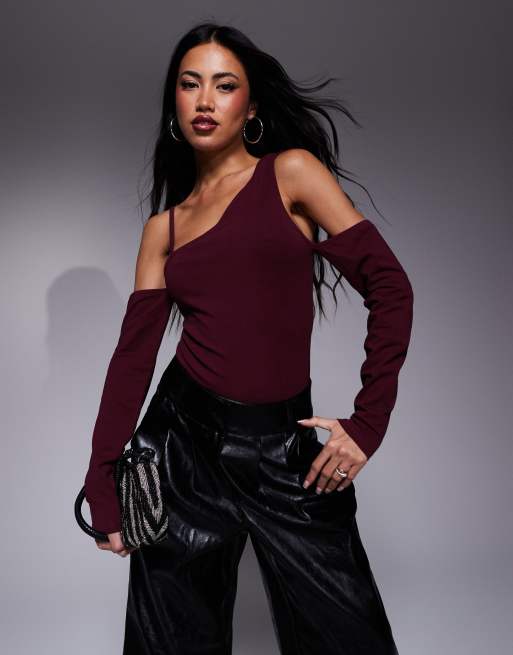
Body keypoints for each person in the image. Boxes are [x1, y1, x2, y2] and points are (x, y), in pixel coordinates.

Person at [84, 21, 413, 655]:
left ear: (252, 106)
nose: (205, 100)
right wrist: (102, 481)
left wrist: (368, 423)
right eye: (190, 84)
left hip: (285, 455)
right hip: (181, 455)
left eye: (224, 85)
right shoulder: (163, 229)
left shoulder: (291, 174)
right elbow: (132, 362)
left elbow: (390, 287)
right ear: (175, 103)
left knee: (351, 638)